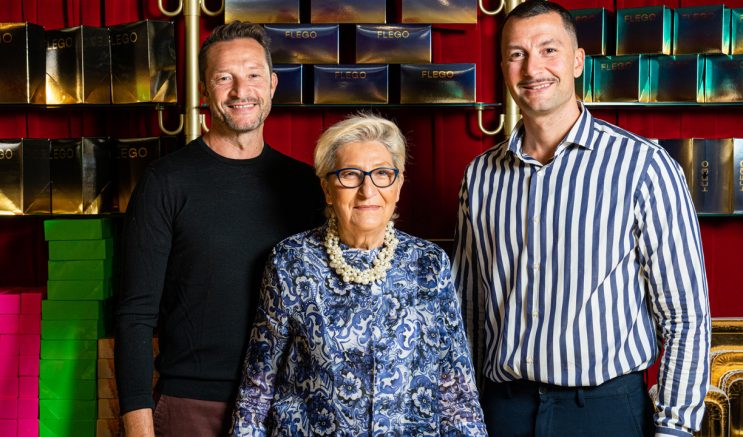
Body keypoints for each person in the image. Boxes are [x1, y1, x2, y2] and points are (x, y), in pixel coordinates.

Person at [452, 1, 710, 436]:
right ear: (504, 68)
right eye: (517, 54)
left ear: (577, 61)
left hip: (604, 411)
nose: (533, 68)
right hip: (503, 410)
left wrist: (675, 428)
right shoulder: (479, 177)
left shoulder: (643, 166)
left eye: (548, 50)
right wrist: (463, 414)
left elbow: (686, 316)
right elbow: (469, 314)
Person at [115, 21, 324, 437]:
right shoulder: (165, 182)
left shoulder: (305, 186)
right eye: (224, 77)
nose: (240, 90)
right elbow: (134, 316)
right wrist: (139, 429)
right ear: (204, 90)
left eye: (253, 75)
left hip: (285, 406)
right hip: (191, 406)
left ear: (272, 85)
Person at [230, 113, 487, 436]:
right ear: (327, 188)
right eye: (350, 175)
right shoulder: (291, 261)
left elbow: (457, 393)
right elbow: (257, 389)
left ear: (398, 185)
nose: (368, 190)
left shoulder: (429, 264)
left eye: (382, 174)